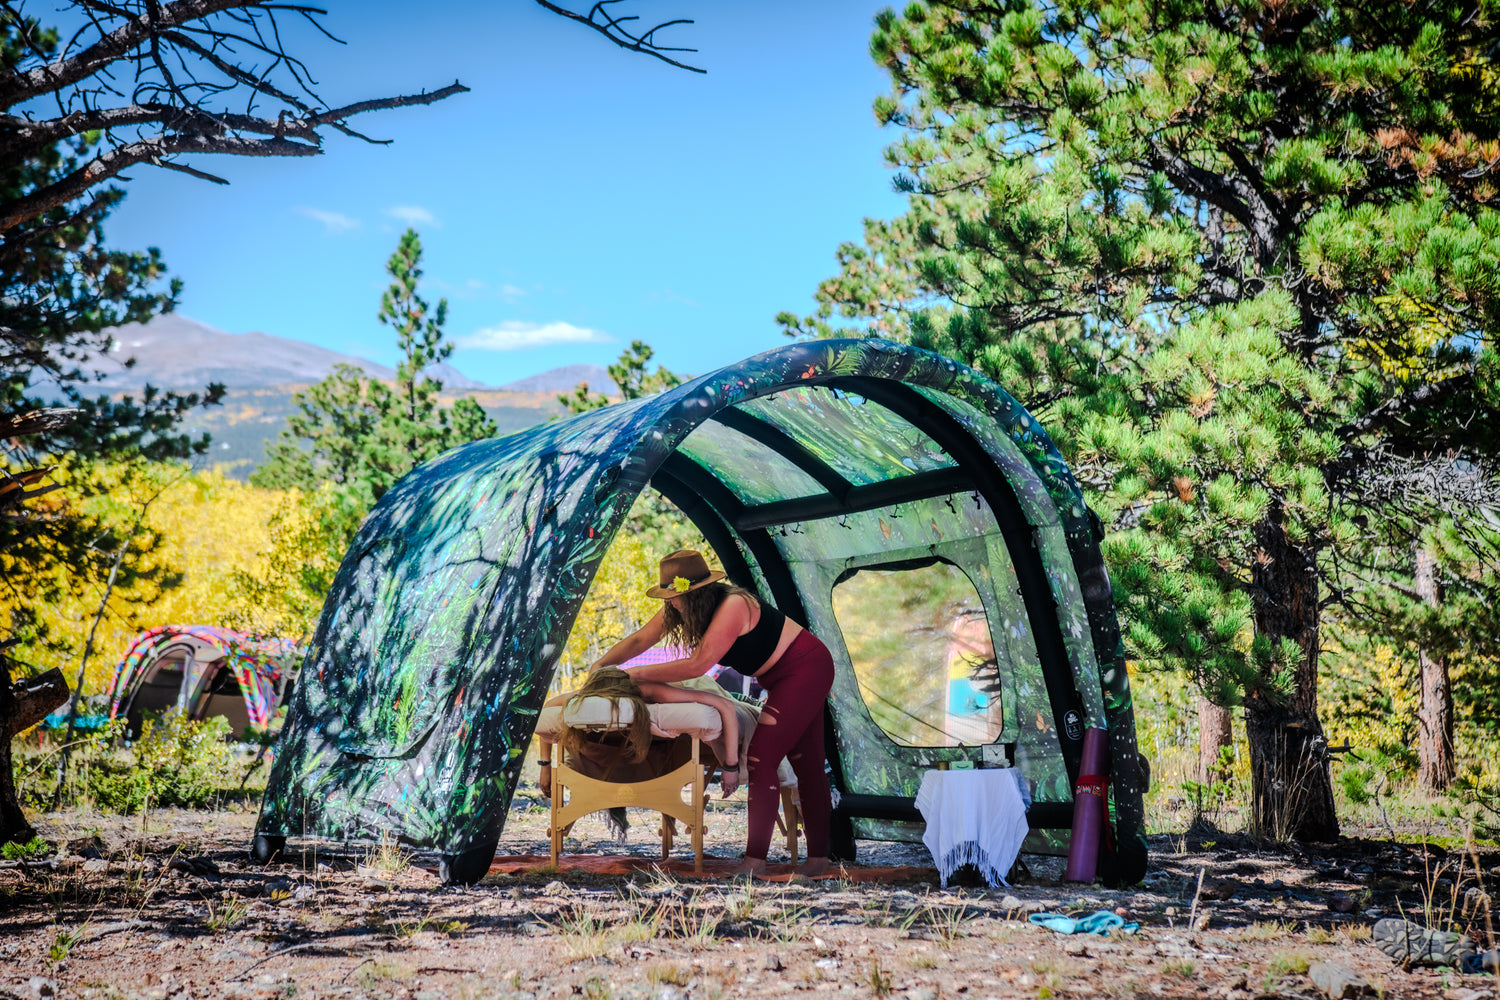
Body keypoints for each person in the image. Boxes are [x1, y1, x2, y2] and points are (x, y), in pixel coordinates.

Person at [588, 548, 835, 877]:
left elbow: (698, 664)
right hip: (782, 676)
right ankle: (818, 860)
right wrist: (602, 665)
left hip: (805, 668)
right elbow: (639, 640)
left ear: (694, 594)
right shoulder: (679, 609)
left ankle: (755, 861)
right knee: (808, 762)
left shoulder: (733, 605)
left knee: (763, 758)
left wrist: (636, 675)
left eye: (674, 596)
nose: (670, 602)